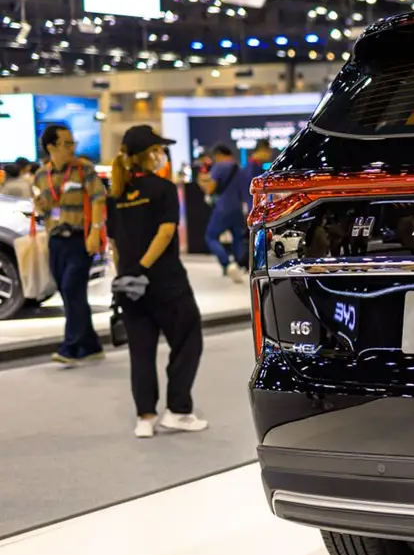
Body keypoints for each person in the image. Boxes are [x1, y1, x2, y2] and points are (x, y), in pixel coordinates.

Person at [106, 125, 209, 438]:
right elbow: (165, 233)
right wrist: (143, 268)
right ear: (150, 154)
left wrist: (127, 273)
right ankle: (178, 410)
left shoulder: (116, 195)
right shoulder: (163, 189)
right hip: (166, 282)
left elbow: (115, 244)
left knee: (141, 350)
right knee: (188, 340)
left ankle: (145, 417)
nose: (161, 155)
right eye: (159, 150)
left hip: (129, 286)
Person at [31, 124, 105, 366]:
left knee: (72, 287)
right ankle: (91, 345)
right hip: (56, 240)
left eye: (73, 143)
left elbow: (98, 199)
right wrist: (41, 206)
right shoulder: (41, 175)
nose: (72, 148)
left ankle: (70, 348)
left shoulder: (83, 169)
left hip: (79, 239)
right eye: (67, 144)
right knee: (69, 293)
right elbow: (46, 208)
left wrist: (95, 232)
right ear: (51, 147)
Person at [204, 142, 250, 282]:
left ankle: (227, 264)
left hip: (222, 208)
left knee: (211, 236)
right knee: (237, 238)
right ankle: (238, 264)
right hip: (237, 209)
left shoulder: (219, 167)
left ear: (219, 154)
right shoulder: (240, 168)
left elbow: (210, 188)